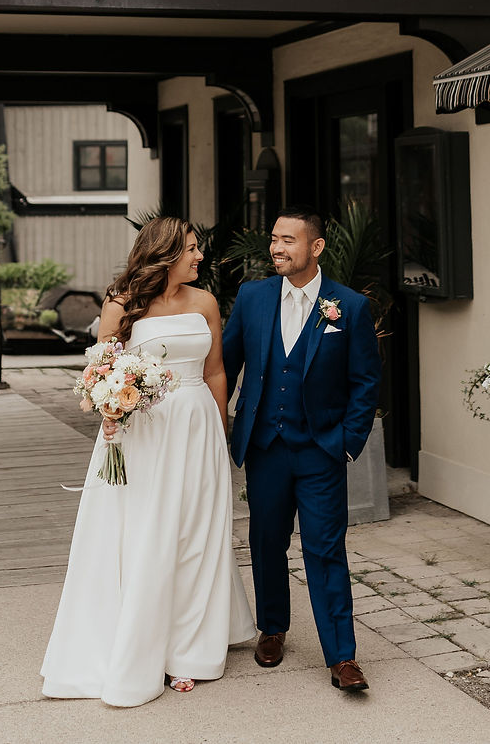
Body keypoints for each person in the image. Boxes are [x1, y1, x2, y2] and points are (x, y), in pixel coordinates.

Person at [41, 216, 255, 707]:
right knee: (147, 532)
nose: (200, 257)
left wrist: (219, 430)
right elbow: (98, 373)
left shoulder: (204, 303)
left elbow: (217, 369)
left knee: (197, 533)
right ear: (165, 253)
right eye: (192, 249)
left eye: (198, 249)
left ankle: (190, 651)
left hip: (197, 425)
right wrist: (109, 409)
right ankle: (142, 644)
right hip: (144, 433)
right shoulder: (121, 304)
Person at [222, 205, 381, 693]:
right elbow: (222, 365)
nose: (276, 247)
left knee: (325, 549)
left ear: (315, 247)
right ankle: (273, 628)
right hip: (266, 446)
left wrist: (347, 445)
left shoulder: (347, 306)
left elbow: (365, 382)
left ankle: (342, 657)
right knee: (267, 541)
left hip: (321, 451)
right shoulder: (252, 296)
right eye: (274, 238)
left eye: (288, 240)